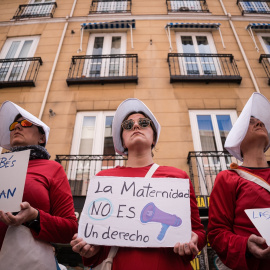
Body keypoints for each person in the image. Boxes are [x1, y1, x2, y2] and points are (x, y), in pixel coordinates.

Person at [70, 98, 206, 269]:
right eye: (128, 125)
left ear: (154, 138)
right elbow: (96, 245)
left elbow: (199, 232)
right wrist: (90, 249)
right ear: (123, 142)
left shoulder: (178, 177)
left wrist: (193, 241)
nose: (135, 126)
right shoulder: (104, 179)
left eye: (143, 123)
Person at [0, 101, 78, 268]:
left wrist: (35, 217)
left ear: (42, 138)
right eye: (14, 124)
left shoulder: (52, 168)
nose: (17, 127)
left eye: (25, 123)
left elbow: (70, 228)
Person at [208, 93, 270, 270]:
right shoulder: (228, 178)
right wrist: (245, 246)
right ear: (238, 140)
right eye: (251, 121)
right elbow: (216, 233)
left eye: (261, 122)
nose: (259, 123)